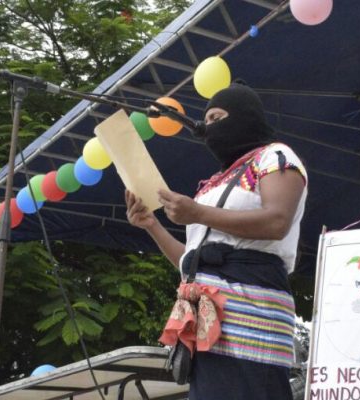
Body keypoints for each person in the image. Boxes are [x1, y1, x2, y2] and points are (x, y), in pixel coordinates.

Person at [125, 82, 307, 400]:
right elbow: (191, 261)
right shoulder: (211, 184)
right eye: (207, 120)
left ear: (245, 117)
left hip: (253, 315)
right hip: (207, 324)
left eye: (217, 118)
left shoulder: (275, 155)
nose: (209, 127)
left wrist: (197, 213)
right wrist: (152, 225)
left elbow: (277, 221)